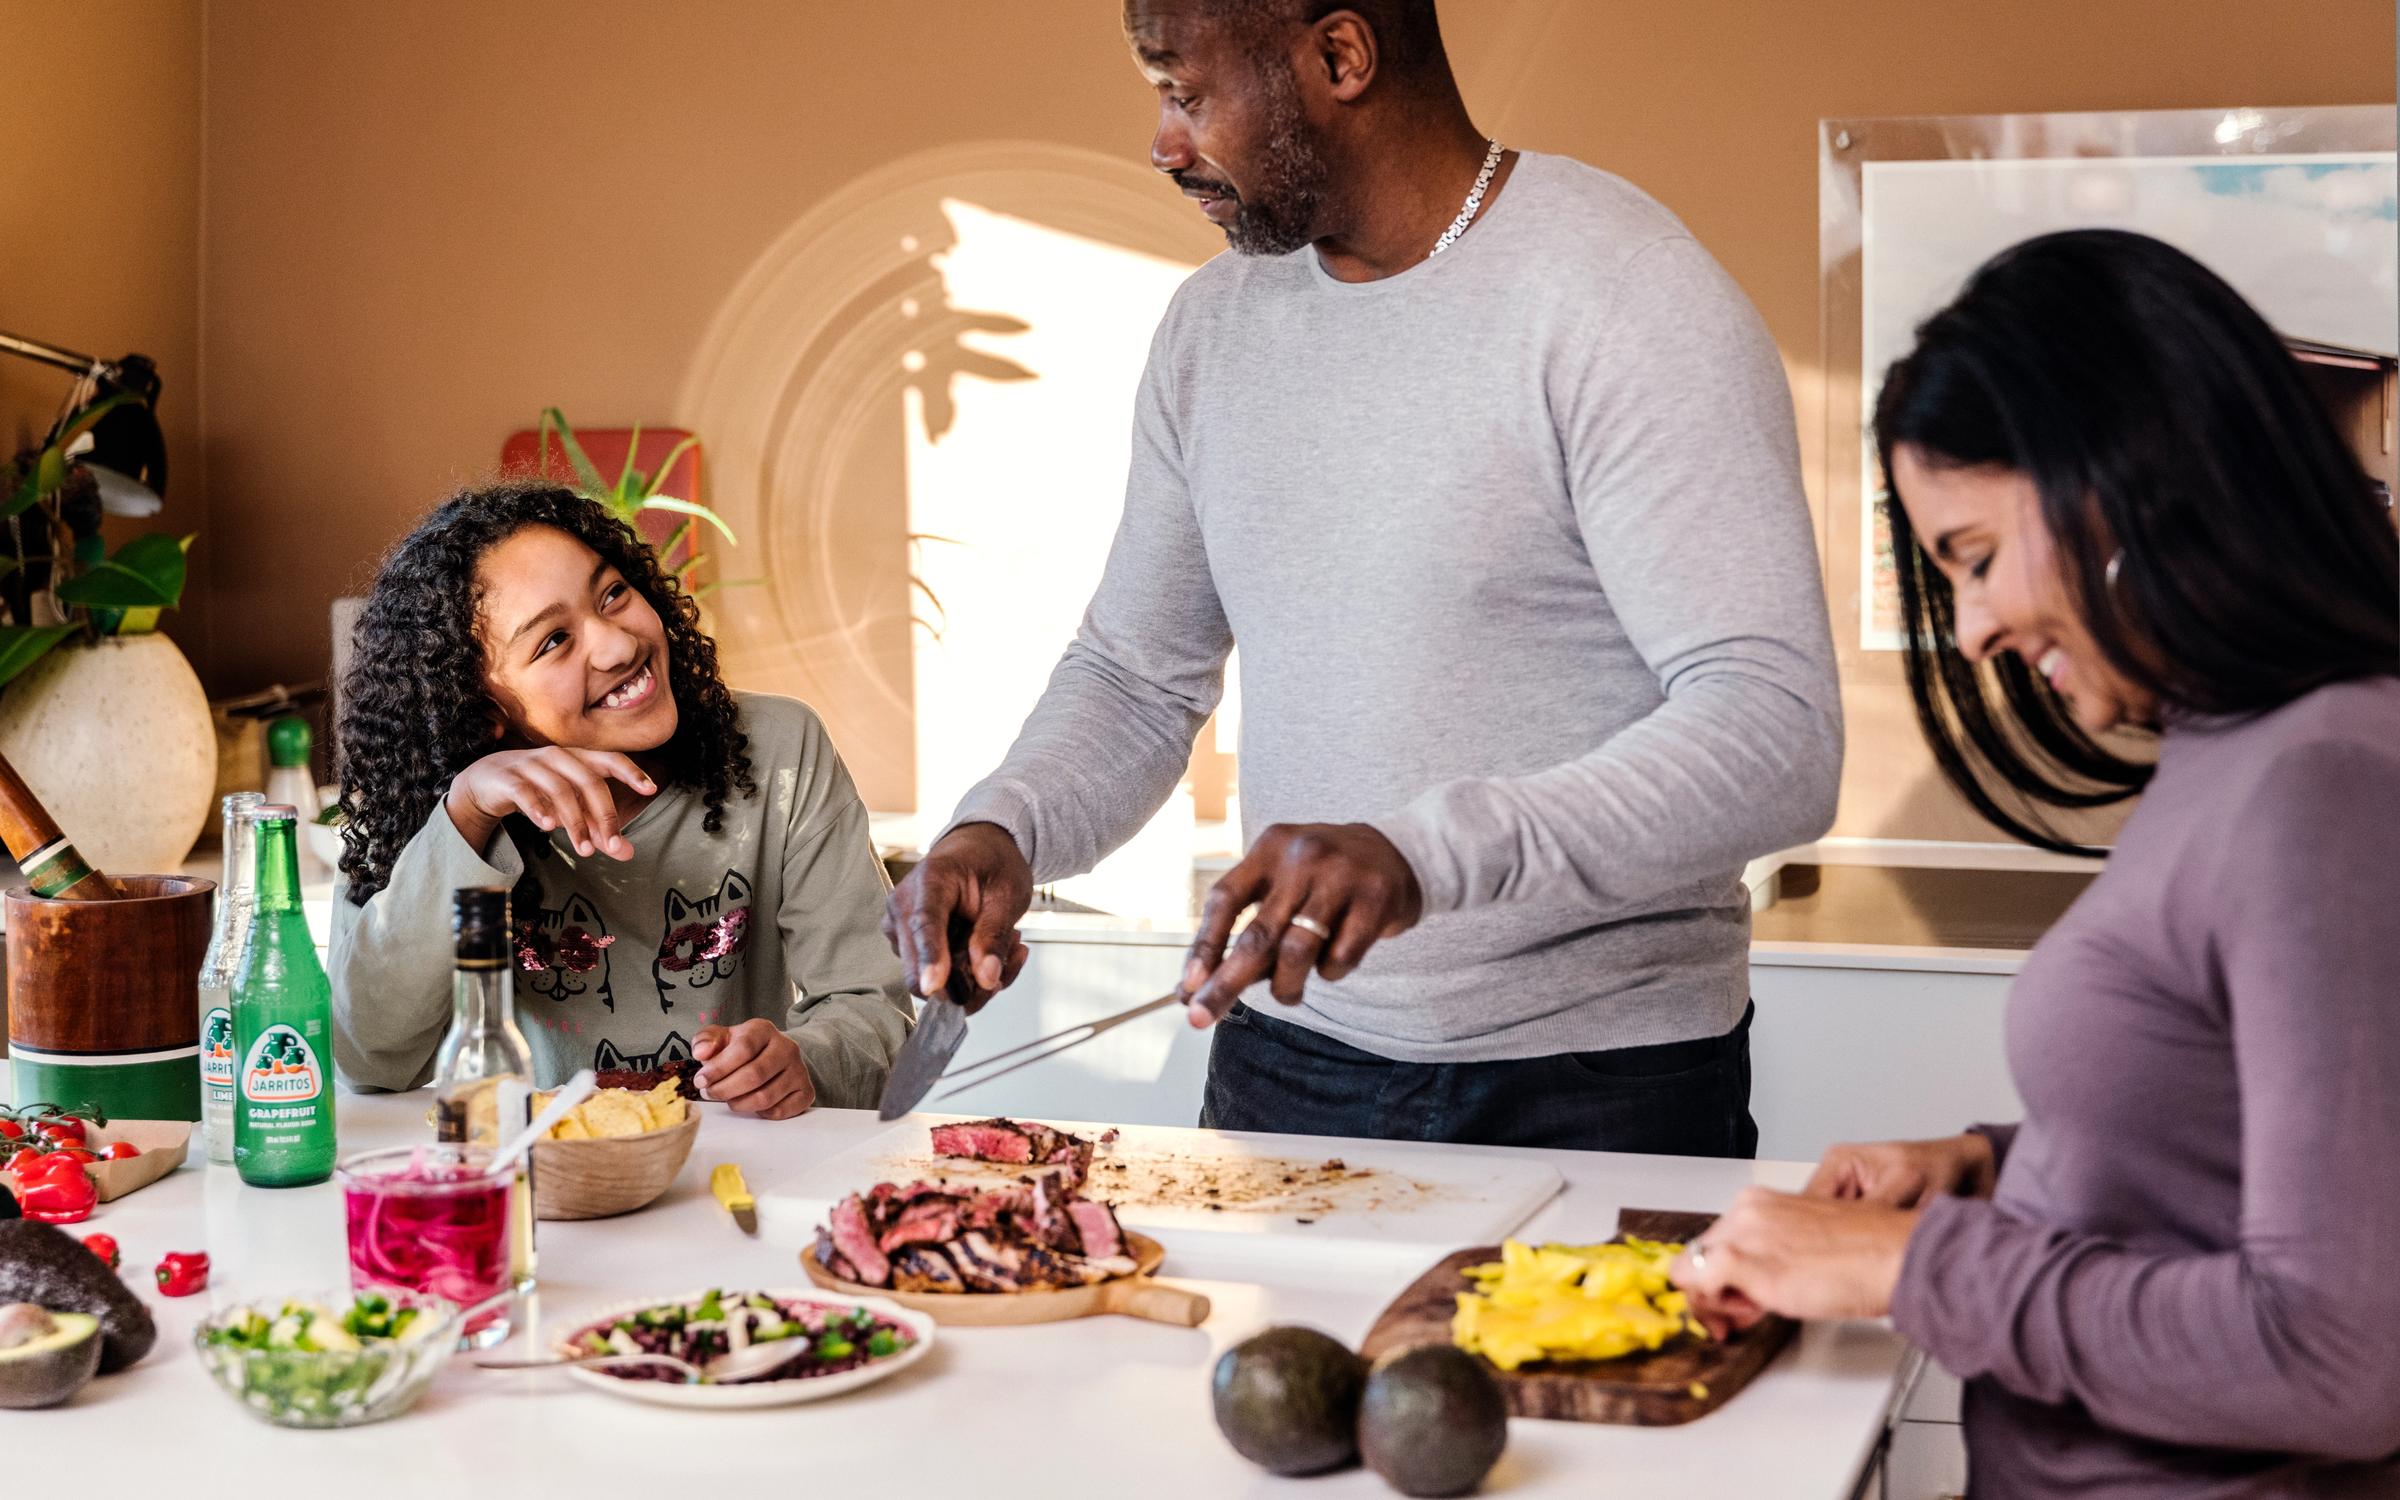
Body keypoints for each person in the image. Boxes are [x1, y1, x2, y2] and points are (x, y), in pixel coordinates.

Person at [885, 0, 1841, 1152]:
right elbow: (1137, 676)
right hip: (1286, 1058)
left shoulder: (1623, 297)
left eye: (1186, 92)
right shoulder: (1211, 332)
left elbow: (1775, 735)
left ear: (1340, 55)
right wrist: (1005, 828)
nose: (1162, 143)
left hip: (1598, 1077)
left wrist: (1419, 855)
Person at [1670, 230, 2400, 1496]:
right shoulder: (2237, 746)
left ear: (2125, 479)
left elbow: (2340, 1359)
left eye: (1976, 556)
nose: (1977, 627)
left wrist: (1909, 1269)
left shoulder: (2322, 783)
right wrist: (1990, 1169)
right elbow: (2239, 1142)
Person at [329, 483, 912, 1114]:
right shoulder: (431, 812)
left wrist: (804, 1064)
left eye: (612, 594)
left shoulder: (780, 750)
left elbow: (874, 1009)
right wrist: (465, 816)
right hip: (542, 1187)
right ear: (483, 707)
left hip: (740, 1179)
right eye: (553, 641)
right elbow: (370, 1059)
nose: (618, 644)